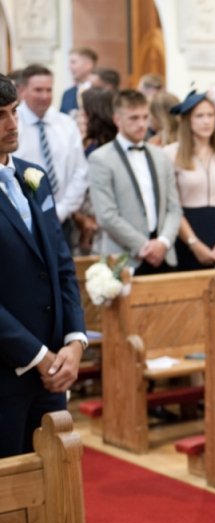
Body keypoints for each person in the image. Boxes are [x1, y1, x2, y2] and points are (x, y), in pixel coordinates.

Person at [0, 73, 87, 458]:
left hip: (53, 373)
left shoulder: (34, 178)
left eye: (13, 111)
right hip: (7, 371)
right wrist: (38, 355)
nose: (12, 125)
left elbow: (61, 266)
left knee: (53, 485)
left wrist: (74, 341)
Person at [88, 89, 183, 275]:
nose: (141, 124)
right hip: (126, 257)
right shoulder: (100, 159)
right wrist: (144, 246)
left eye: (145, 117)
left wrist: (163, 242)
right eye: (133, 118)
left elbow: (174, 208)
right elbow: (106, 215)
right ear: (117, 120)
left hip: (165, 254)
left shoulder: (160, 155)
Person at [164, 92, 215, 271]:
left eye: (210, 115)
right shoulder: (170, 154)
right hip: (187, 233)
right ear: (187, 120)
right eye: (199, 116)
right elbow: (172, 206)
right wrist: (193, 243)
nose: (206, 121)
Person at [12, 65, 88, 241]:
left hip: (61, 219)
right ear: (22, 90)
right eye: (38, 90)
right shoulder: (13, 127)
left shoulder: (66, 125)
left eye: (49, 90)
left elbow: (80, 172)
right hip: (22, 220)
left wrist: (59, 212)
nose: (45, 96)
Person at [72, 87, 117, 256]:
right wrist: (78, 217)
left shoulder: (109, 144)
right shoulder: (85, 140)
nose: (80, 113)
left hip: (100, 215)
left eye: (84, 109)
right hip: (80, 212)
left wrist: (91, 221)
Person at [61, 46, 97, 115]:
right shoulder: (67, 94)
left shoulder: (101, 92)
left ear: (88, 64)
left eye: (73, 62)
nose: (69, 67)